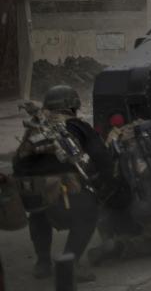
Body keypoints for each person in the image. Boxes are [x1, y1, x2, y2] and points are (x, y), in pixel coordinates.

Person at [12, 85, 115, 283]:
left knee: (38, 214)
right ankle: (71, 262)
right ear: (73, 106)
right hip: (65, 193)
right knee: (89, 214)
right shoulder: (78, 126)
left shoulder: (36, 127)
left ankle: (42, 263)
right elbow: (103, 159)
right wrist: (106, 185)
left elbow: (18, 162)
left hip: (33, 194)